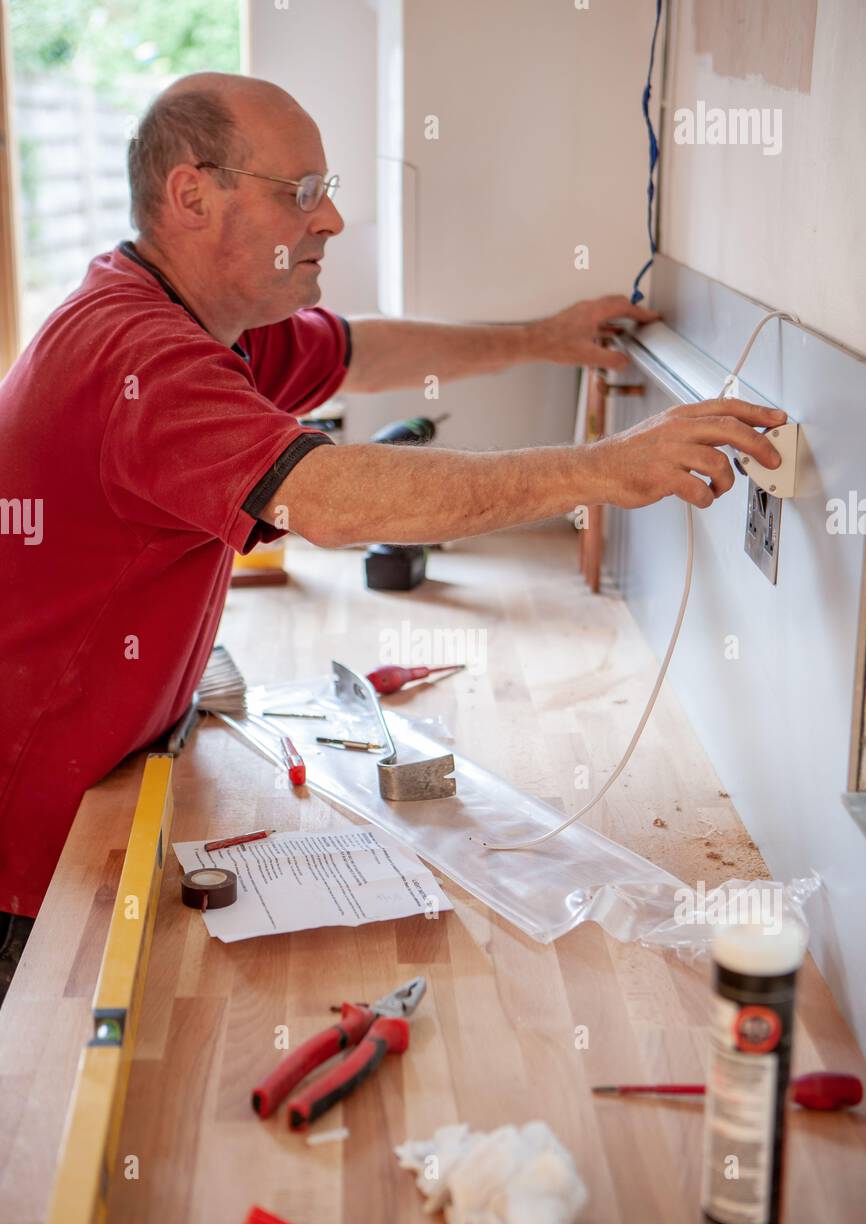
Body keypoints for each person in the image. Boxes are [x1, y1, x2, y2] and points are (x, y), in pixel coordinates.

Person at [0, 72, 785, 1003]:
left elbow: (362, 351)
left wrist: (543, 337)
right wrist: (599, 468)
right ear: (193, 195)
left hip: (112, 775)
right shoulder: (139, 354)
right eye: (302, 191)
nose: (330, 219)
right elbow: (328, 500)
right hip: (32, 839)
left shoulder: (206, 322)